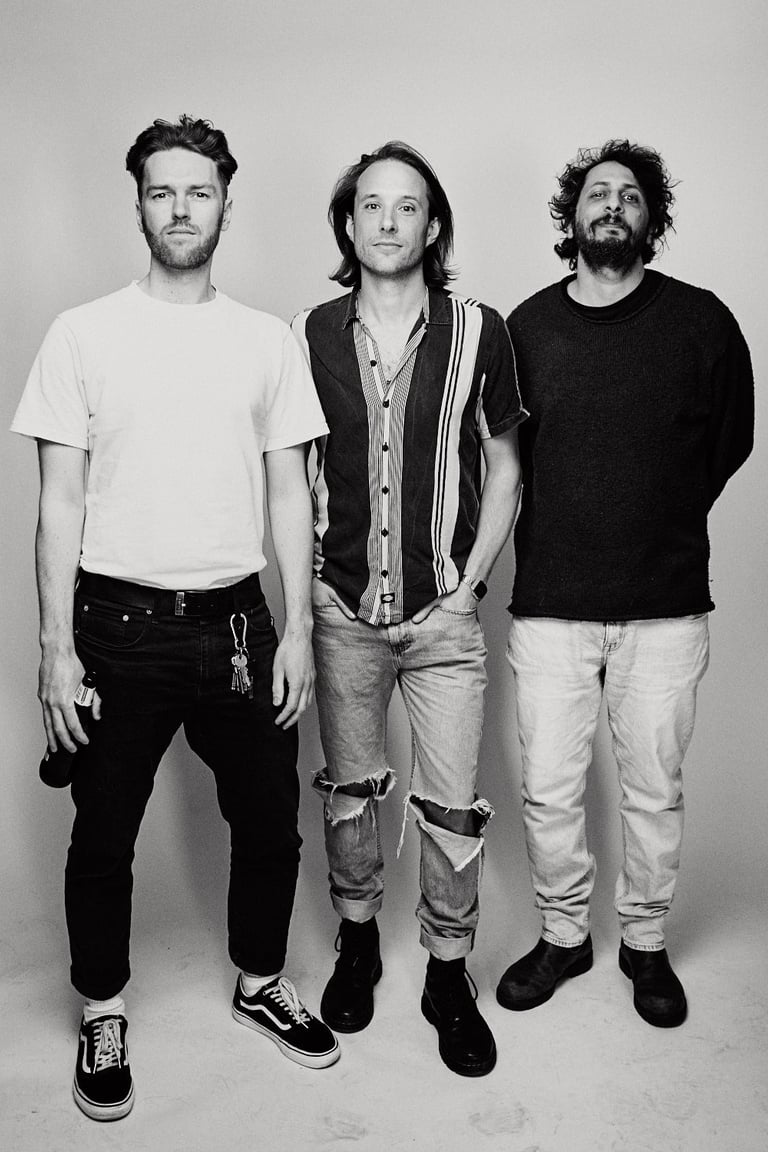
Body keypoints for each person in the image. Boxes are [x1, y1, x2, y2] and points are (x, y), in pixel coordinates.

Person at [11, 114, 339, 1123]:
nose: (182, 207)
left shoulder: (266, 340)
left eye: (200, 190)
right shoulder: (83, 333)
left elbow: (291, 494)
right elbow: (59, 499)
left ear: (227, 202)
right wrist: (56, 647)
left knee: (273, 826)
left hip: (240, 628)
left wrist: (298, 633)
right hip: (114, 626)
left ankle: (257, 980)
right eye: (163, 190)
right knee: (103, 834)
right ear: (139, 204)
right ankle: (103, 1008)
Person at [496, 140, 754, 1028]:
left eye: (631, 196)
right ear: (571, 219)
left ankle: (645, 945)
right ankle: (564, 935)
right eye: (596, 195)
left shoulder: (702, 322)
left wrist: (661, 508)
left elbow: (730, 441)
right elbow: (502, 462)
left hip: (666, 606)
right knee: (549, 787)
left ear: (653, 219)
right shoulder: (525, 328)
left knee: (654, 789)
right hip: (552, 607)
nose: (613, 206)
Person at [291, 141, 526, 1077]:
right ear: (350, 225)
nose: (389, 223)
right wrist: (309, 574)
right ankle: (355, 945)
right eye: (372, 207)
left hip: (442, 619)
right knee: (350, 793)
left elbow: (505, 465)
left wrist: (469, 583)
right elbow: (290, 468)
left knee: (450, 806)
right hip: (343, 611)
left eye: (409, 208)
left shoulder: (482, 331)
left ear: (435, 226)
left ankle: (446, 972)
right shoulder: (308, 332)